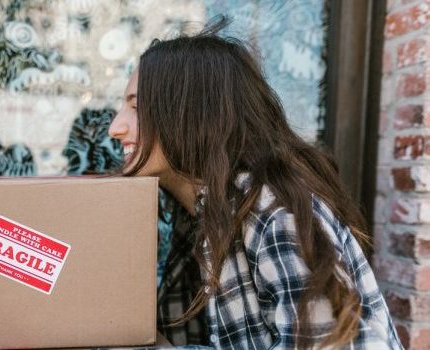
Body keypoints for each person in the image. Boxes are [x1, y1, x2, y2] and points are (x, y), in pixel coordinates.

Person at [108, 18, 403, 349]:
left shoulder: (271, 211)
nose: (115, 128)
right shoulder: (204, 214)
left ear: (188, 115)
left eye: (136, 108)